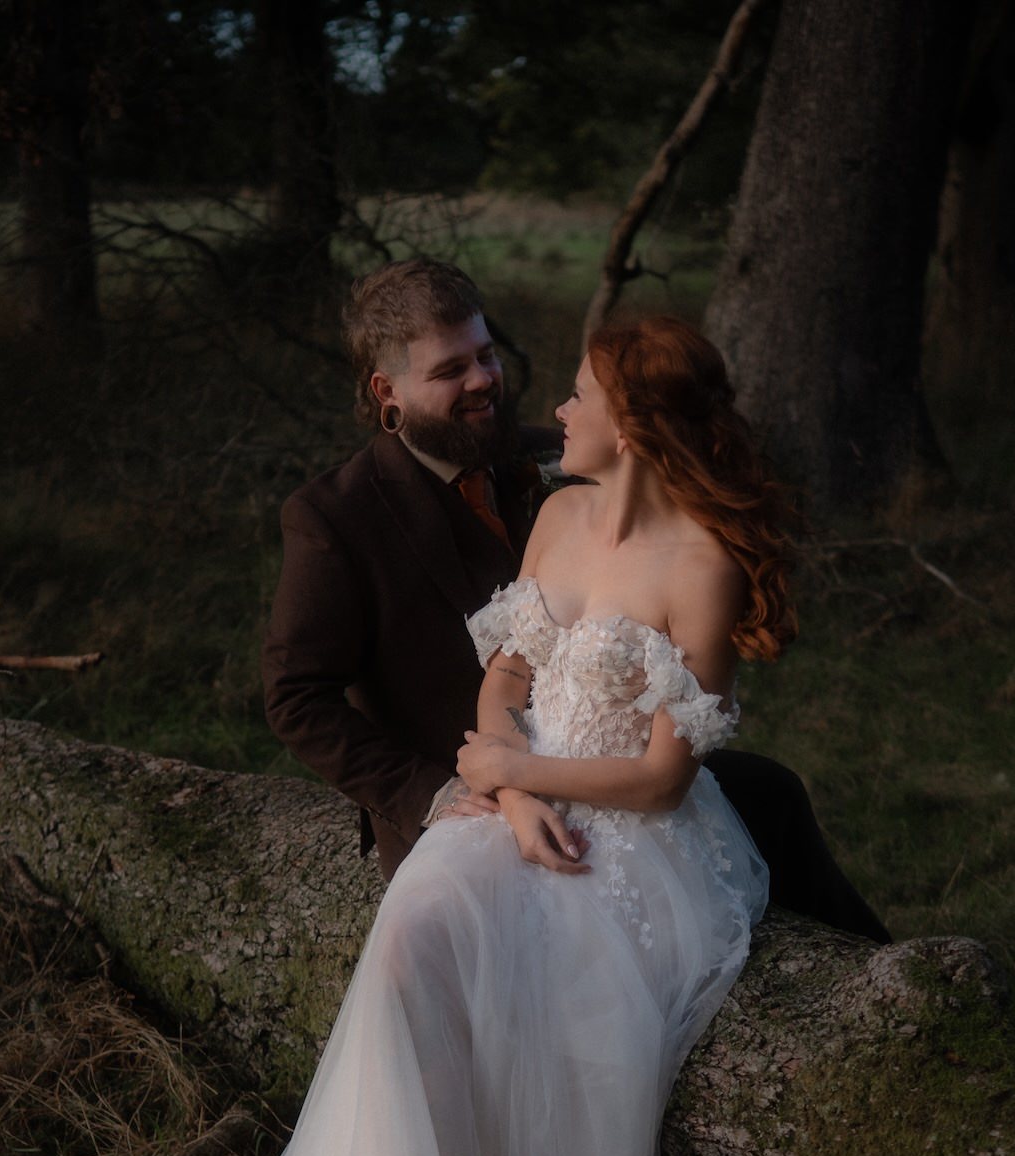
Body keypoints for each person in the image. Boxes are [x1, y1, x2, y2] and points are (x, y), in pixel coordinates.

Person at [165, 315, 793, 1156]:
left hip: (631, 840)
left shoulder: (703, 564)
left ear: (635, 425)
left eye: (581, 395)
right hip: (518, 806)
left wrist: (519, 769)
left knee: (551, 998)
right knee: (409, 948)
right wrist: (506, 788)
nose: (554, 408)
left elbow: (659, 776)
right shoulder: (553, 514)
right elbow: (499, 685)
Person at [259, 257, 887, 939]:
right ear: (388, 389)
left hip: (600, 764)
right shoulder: (333, 517)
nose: (481, 382)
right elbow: (296, 699)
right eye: (449, 371)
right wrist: (437, 792)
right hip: (461, 780)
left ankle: (882, 971)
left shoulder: (547, 458)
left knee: (774, 794)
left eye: (486, 355)